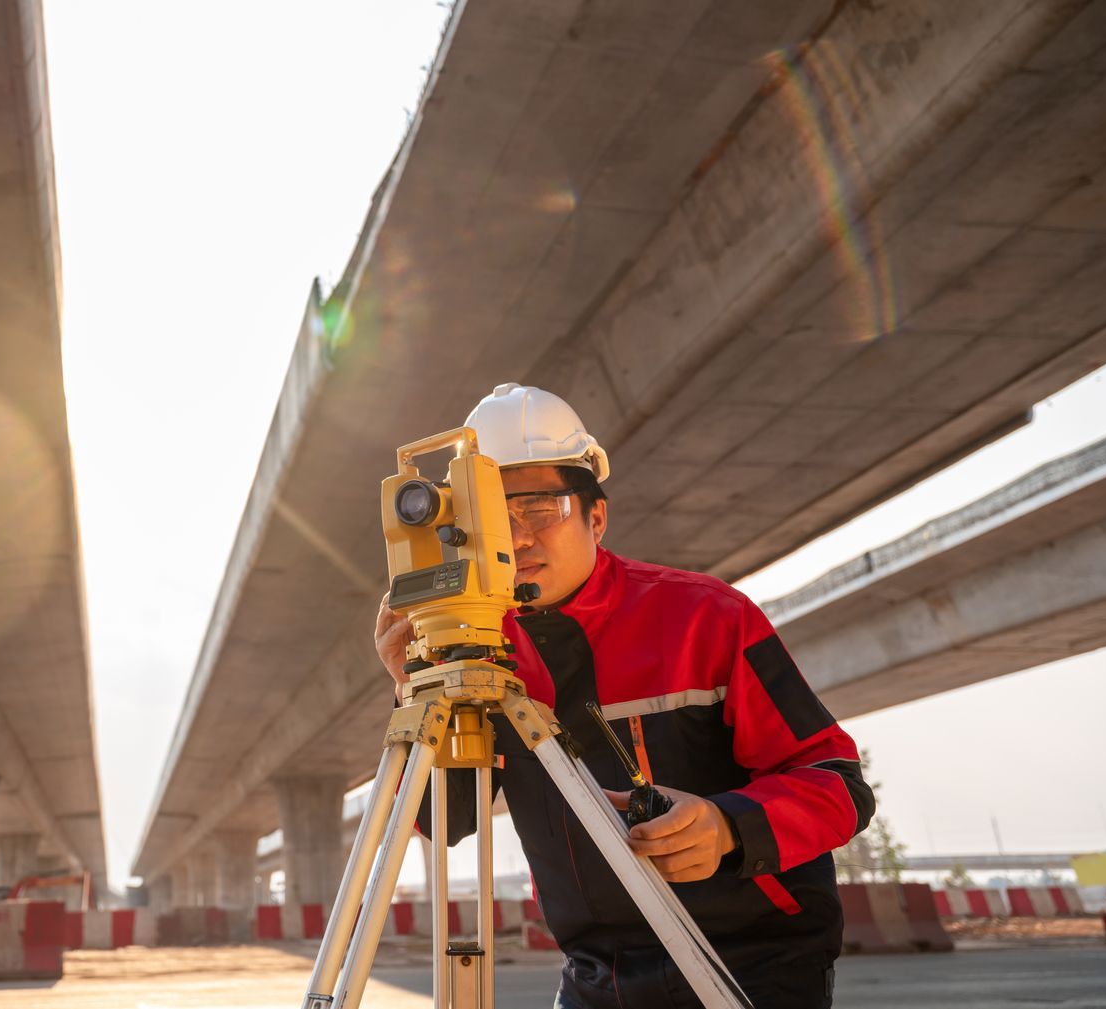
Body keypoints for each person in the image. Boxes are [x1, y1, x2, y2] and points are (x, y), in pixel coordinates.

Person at [374, 383, 875, 1009]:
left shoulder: (705, 616)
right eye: (493, 516)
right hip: (595, 974)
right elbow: (443, 819)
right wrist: (411, 690)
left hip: (753, 963)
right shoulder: (479, 654)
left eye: (540, 509)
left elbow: (837, 784)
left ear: (596, 517)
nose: (518, 538)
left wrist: (728, 827)